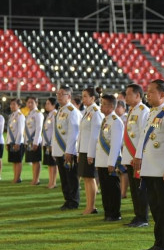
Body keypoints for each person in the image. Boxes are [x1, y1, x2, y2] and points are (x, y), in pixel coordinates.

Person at [134, 79, 164, 250]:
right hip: (151, 169)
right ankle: (158, 242)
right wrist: (139, 157)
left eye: (151, 91)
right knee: (156, 208)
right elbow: (144, 137)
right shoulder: (153, 112)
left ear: (162, 94)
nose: (148, 94)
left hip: (163, 170)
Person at [122, 83, 150, 227]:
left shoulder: (143, 111)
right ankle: (137, 215)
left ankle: (143, 217)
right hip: (130, 155)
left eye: (128, 94)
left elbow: (143, 136)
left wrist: (138, 155)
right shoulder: (133, 110)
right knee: (133, 189)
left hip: (137, 156)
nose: (126, 97)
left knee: (140, 189)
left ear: (138, 95)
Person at [95, 94, 124, 221]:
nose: (101, 106)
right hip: (102, 160)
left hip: (109, 161)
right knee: (105, 189)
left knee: (112, 189)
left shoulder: (116, 121)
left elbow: (116, 144)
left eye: (103, 104)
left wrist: (112, 162)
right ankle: (107, 212)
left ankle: (115, 213)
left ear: (111, 106)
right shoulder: (106, 120)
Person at [53, 85, 81, 210]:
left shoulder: (72, 111)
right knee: (64, 178)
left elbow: (73, 133)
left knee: (71, 177)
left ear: (69, 96)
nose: (59, 96)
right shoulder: (61, 110)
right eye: (58, 94)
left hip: (68, 150)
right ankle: (67, 200)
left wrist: (69, 151)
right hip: (60, 149)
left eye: (62, 94)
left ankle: (73, 201)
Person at [77, 87, 103, 215]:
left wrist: (91, 153)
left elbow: (94, 135)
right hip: (84, 149)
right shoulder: (87, 111)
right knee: (86, 178)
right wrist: (78, 151)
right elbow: (82, 133)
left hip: (89, 150)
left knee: (90, 177)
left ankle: (91, 206)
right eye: (83, 96)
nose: (83, 99)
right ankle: (88, 205)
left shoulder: (96, 112)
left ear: (93, 98)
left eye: (86, 96)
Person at [24, 96, 44, 186]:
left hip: (35, 141)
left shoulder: (38, 114)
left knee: (36, 160)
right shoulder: (29, 114)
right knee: (32, 160)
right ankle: (34, 178)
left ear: (37, 103)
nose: (30, 104)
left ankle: (37, 179)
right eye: (28, 102)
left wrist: (36, 142)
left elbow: (39, 128)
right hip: (29, 141)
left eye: (32, 102)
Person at [6, 98, 25, 184]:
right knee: (14, 160)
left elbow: (21, 131)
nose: (12, 106)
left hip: (18, 142)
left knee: (18, 160)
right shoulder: (12, 115)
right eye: (11, 104)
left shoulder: (20, 115)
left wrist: (17, 143)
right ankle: (15, 177)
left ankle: (17, 178)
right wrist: (7, 142)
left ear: (19, 105)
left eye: (14, 104)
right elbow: (9, 130)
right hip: (12, 142)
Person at [115, 99, 130, 199]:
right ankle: (120, 190)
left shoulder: (126, 118)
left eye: (118, 107)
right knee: (119, 171)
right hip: (118, 147)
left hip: (125, 147)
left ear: (124, 108)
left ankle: (123, 192)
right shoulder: (115, 118)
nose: (116, 109)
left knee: (124, 171)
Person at [43, 97, 58, 189]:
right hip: (47, 143)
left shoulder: (55, 114)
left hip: (51, 144)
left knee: (53, 164)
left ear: (53, 105)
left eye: (48, 103)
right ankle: (50, 181)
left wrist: (52, 144)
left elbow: (55, 131)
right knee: (49, 164)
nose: (46, 105)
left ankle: (53, 182)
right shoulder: (49, 115)